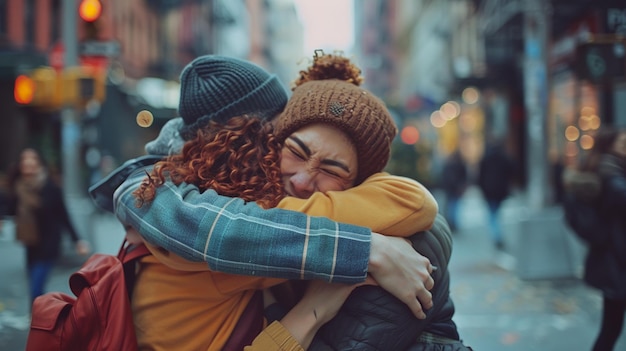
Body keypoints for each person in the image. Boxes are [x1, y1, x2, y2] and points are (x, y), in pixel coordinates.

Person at [112, 52, 469, 350]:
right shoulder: (244, 217)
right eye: (292, 149)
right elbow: (415, 202)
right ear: (260, 142)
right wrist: (331, 291)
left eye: (332, 168)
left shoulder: (188, 192)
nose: (301, 180)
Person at [0, 148, 90, 304]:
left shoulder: (50, 187)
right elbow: (8, 209)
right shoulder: (18, 187)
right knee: (33, 288)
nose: (28, 162)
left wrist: (78, 241)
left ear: (38, 163)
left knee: (36, 287)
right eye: (24, 159)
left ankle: (37, 319)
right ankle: (37, 319)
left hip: (48, 244)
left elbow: (64, 215)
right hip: (30, 244)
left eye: (32, 158)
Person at [566, 127, 626, 351]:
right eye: (623, 142)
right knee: (611, 327)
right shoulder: (611, 171)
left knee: (611, 326)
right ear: (609, 145)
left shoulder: (608, 166)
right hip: (618, 259)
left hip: (614, 258)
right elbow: (621, 196)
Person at [477, 137, 515, 250]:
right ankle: (497, 235)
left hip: (489, 190)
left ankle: (496, 235)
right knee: (495, 213)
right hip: (499, 190)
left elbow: (480, 176)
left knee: (492, 214)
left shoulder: (486, 158)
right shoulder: (504, 157)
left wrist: (482, 188)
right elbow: (512, 170)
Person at [440, 149, 468, 232]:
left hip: (450, 189)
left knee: (452, 206)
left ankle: (451, 223)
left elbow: (445, 177)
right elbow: (464, 177)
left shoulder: (448, 165)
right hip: (456, 189)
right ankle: (453, 223)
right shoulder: (461, 165)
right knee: (455, 207)